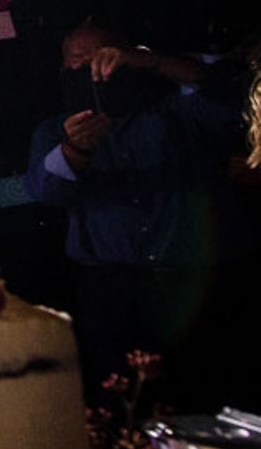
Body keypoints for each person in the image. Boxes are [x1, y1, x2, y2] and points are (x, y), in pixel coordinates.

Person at [24, 21, 246, 404]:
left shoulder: (178, 113)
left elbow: (231, 88)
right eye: (78, 61)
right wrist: (76, 151)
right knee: (122, 400)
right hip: (113, 290)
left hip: (196, 280)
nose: (91, 68)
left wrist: (151, 61)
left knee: (207, 396)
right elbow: (45, 191)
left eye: (102, 57)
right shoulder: (55, 130)